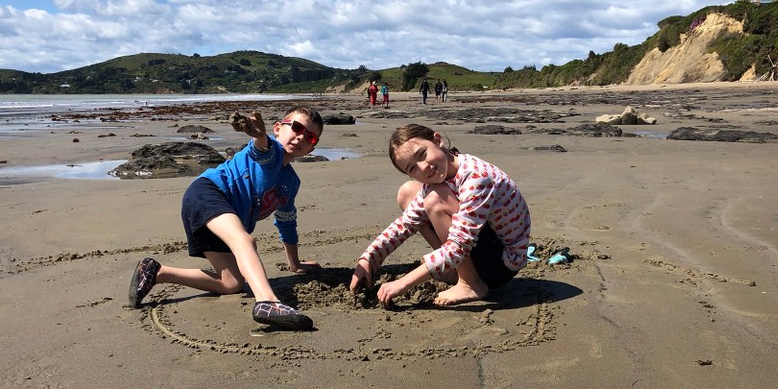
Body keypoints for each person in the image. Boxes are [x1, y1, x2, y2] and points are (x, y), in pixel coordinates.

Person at [128, 106, 324, 330]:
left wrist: (295, 263)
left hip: (223, 215)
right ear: (278, 128)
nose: (300, 137)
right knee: (244, 240)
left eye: (309, 137)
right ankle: (267, 302)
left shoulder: (291, 183)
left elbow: (286, 221)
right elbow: (263, 148)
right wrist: (259, 135)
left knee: (231, 283)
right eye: (296, 128)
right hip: (208, 192)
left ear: (310, 149)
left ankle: (156, 272)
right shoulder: (270, 151)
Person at [349, 124, 531, 307]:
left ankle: (470, 283)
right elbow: (406, 225)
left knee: (435, 200)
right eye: (412, 169)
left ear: (438, 140)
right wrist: (369, 259)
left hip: (502, 264)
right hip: (479, 248)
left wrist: (403, 283)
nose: (423, 167)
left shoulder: (476, 177)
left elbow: (459, 245)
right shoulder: (439, 178)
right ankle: (456, 270)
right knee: (409, 192)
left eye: (422, 154)